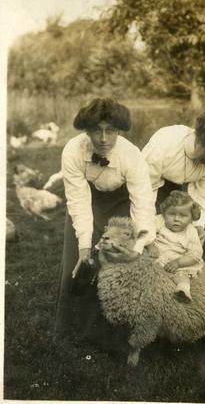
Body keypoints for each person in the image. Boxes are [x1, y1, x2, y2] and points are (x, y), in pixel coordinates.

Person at [54, 97, 156, 341]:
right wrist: (84, 245)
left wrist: (142, 243)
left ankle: (112, 331)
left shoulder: (131, 156)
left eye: (110, 131)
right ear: (86, 130)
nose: (103, 139)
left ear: (119, 131)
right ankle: (70, 332)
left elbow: (142, 201)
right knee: (78, 265)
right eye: (96, 131)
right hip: (86, 201)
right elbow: (78, 199)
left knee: (116, 261)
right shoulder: (72, 151)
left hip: (120, 202)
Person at [142, 111, 205, 243]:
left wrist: (198, 225)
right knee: (152, 227)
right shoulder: (165, 144)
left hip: (186, 191)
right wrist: (148, 222)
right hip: (151, 187)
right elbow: (144, 188)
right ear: (199, 139)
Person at [155, 190, 203, 301]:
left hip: (178, 262)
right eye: (171, 214)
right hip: (157, 257)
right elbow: (147, 231)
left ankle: (183, 290)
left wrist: (178, 263)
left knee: (182, 276)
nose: (176, 219)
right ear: (164, 213)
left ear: (191, 217)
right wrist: (149, 246)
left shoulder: (190, 231)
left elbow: (195, 254)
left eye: (183, 215)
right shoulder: (160, 220)